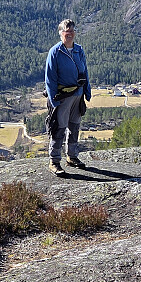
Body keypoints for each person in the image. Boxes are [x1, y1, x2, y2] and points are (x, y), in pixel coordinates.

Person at [44, 19, 91, 175]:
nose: (69, 34)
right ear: (60, 33)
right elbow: (49, 78)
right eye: (66, 31)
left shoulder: (79, 50)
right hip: (62, 97)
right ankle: (54, 161)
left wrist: (87, 90)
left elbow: (85, 72)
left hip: (77, 95)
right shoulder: (55, 52)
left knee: (74, 127)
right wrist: (53, 99)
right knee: (59, 128)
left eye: (72, 31)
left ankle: (72, 157)